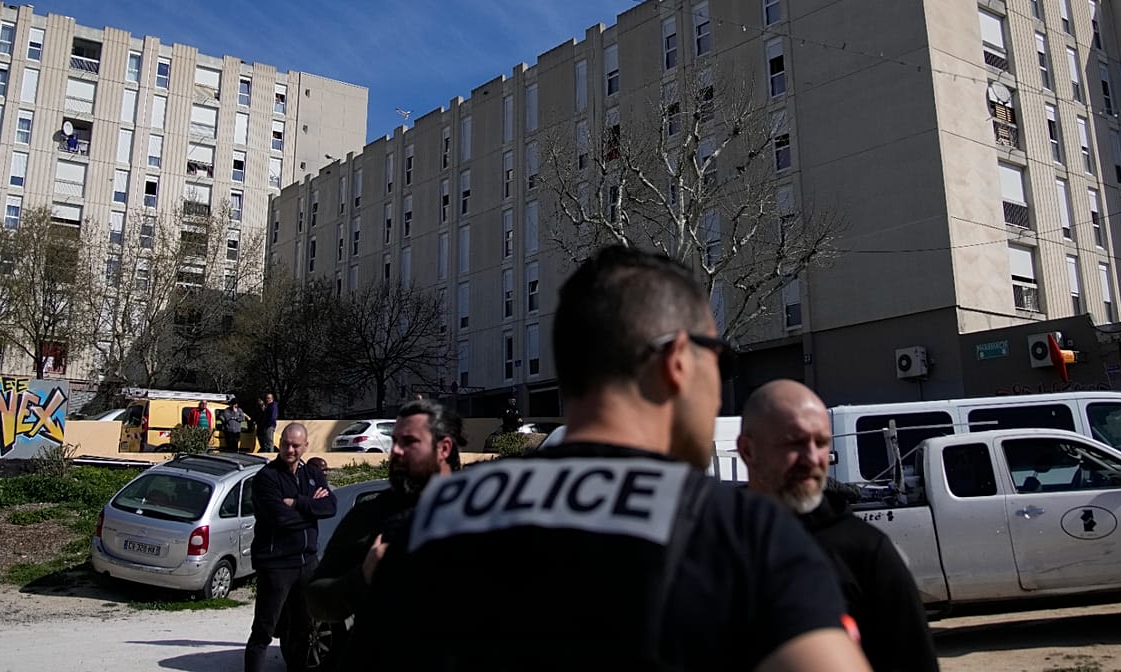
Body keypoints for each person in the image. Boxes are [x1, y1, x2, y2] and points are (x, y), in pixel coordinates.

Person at [357, 246, 870, 670]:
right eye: (720, 360)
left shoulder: (435, 522)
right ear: (677, 363)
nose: (720, 386)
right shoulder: (742, 535)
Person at [738, 379, 938, 672]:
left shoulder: (867, 553)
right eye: (794, 442)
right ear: (748, 450)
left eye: (820, 443)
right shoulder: (710, 543)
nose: (812, 459)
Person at [307, 399, 461, 661]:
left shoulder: (482, 514)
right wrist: (363, 576)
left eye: (409, 442)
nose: (396, 451)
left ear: (444, 447)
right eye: (395, 442)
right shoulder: (369, 516)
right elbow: (316, 599)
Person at [246, 422, 336, 672]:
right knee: (264, 630)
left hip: (306, 564)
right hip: (276, 565)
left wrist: (297, 502)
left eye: (296, 445)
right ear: (279, 443)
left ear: (305, 446)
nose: (290, 450)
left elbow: (331, 507)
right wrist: (311, 511)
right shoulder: (267, 478)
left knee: (303, 628)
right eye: (286, 444)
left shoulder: (312, 474)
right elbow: (280, 519)